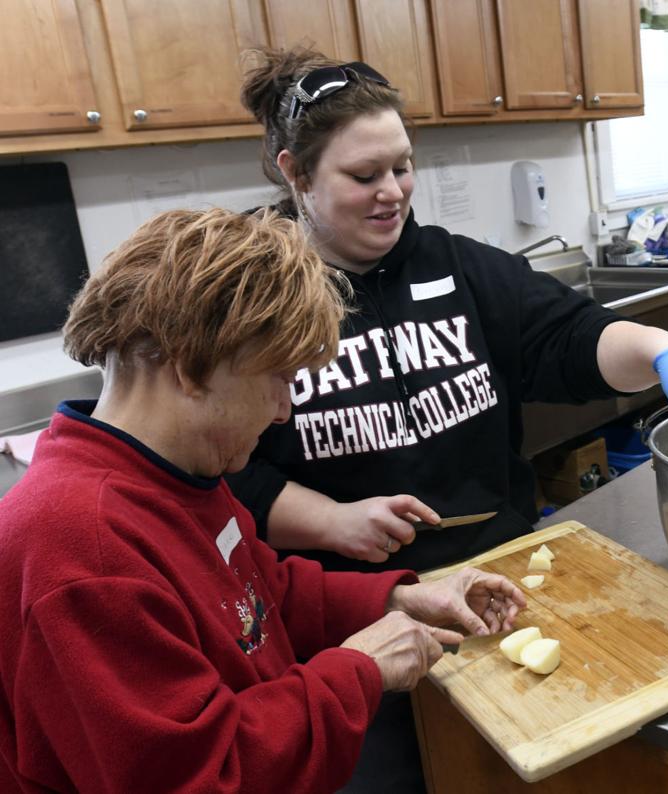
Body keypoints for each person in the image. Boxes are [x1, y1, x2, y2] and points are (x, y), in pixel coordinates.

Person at [0, 209, 526, 793]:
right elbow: (205, 777)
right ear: (189, 367)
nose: (284, 410)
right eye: (279, 378)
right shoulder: (84, 554)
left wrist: (402, 598)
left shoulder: (175, 472)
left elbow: (258, 597)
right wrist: (359, 672)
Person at [230, 48, 668, 575]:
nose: (392, 193)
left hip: (504, 569)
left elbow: (571, 337)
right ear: (298, 175)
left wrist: (662, 350)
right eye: (363, 176)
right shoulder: (249, 296)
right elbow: (217, 467)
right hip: (356, 601)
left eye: (402, 167)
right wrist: (329, 521)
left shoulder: (458, 267)